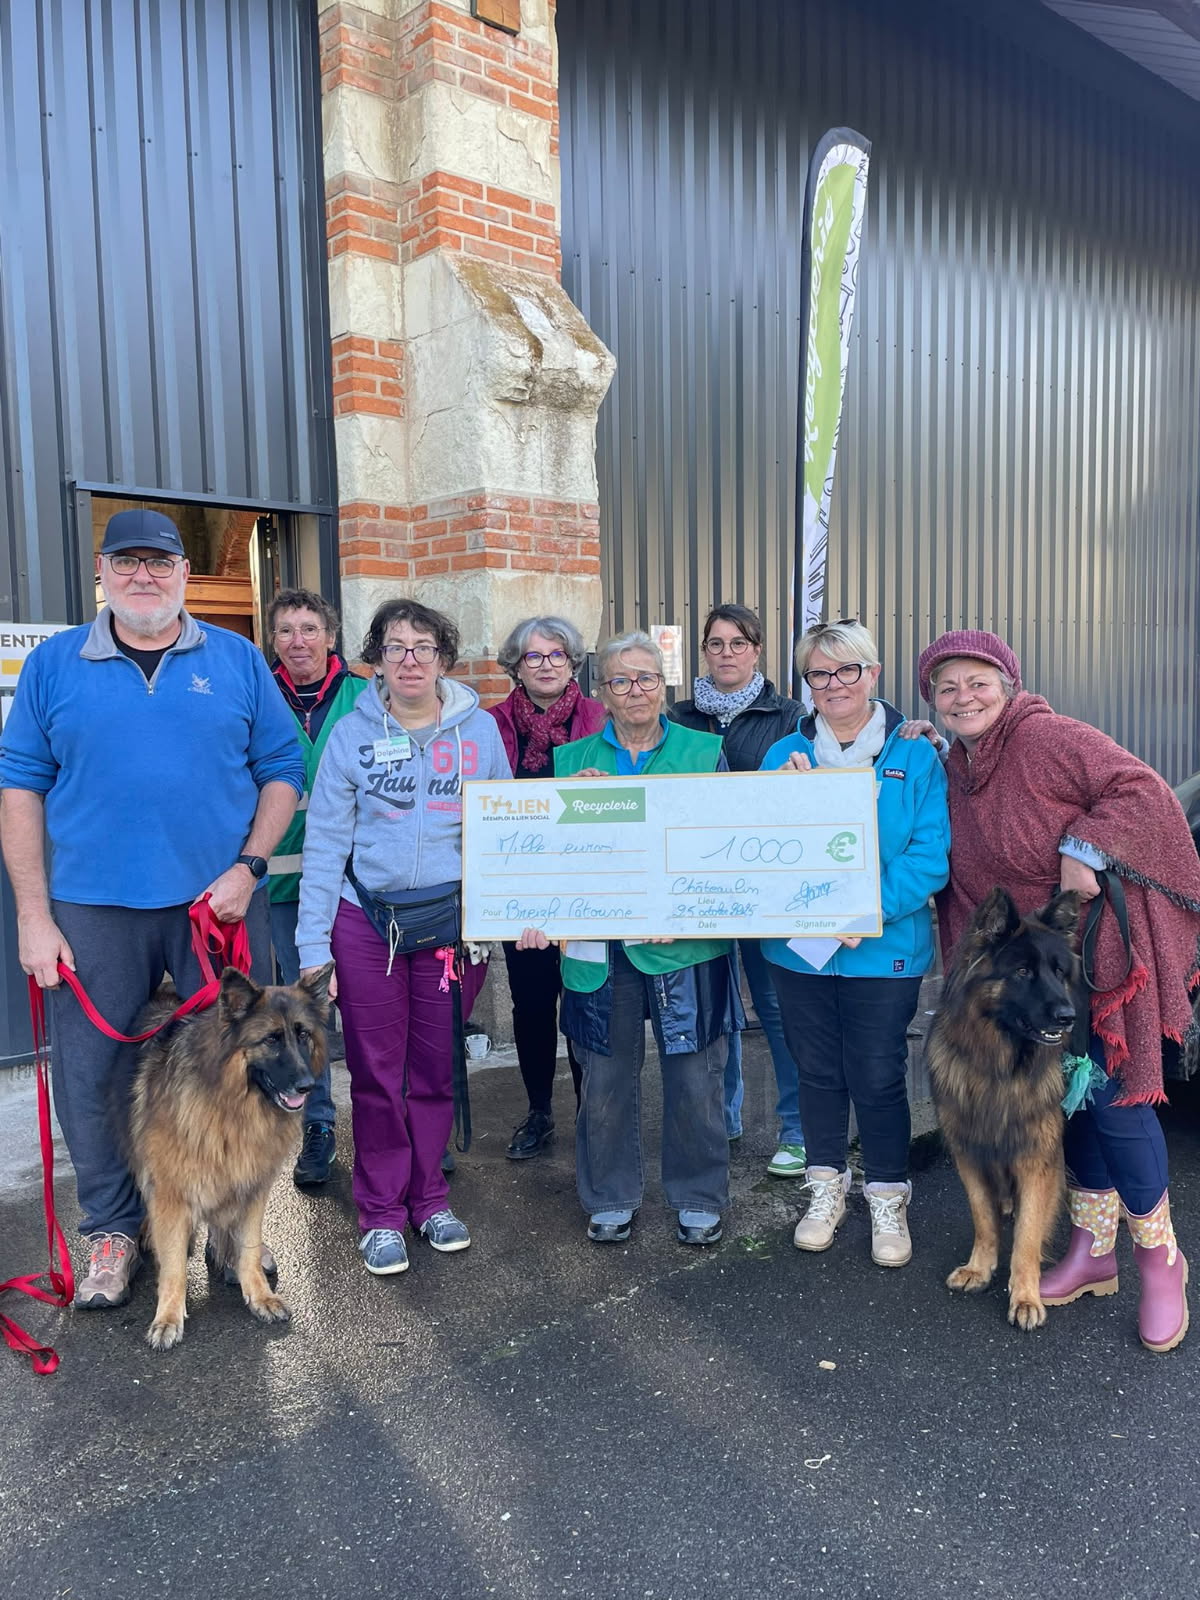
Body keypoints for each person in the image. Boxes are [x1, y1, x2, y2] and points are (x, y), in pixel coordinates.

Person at [0, 508, 303, 1308]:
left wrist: (249, 867)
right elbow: (20, 787)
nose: (144, 577)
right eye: (127, 563)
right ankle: (111, 1229)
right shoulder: (56, 666)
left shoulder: (236, 659)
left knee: (238, 1060)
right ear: (101, 570)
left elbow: (282, 769)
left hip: (220, 905)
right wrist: (34, 914)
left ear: (183, 576)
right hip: (93, 906)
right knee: (93, 1071)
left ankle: (233, 1229)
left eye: (160, 564)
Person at [909, 629, 1200, 1350]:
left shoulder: (1049, 738)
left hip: (1091, 963)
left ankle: (1160, 1263)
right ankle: (1092, 1253)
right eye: (947, 688)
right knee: (1071, 1110)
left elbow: (1141, 788)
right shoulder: (954, 764)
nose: (963, 696)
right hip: (1021, 984)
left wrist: (1084, 845)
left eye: (978, 681)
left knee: (1117, 1101)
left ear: (1008, 684)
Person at [296, 599, 510, 1277]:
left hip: (449, 927)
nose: (410, 659)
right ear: (377, 659)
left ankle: (431, 1198)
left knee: (435, 1068)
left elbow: (502, 831)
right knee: (375, 1073)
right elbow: (325, 843)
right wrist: (312, 948)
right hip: (366, 925)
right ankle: (382, 1213)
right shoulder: (353, 736)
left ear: (445, 656)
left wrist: (500, 917)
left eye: (423, 646)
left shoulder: (479, 733)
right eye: (395, 647)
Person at [518, 630, 742, 1248]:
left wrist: (698, 911)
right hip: (600, 948)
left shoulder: (705, 751)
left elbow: (728, 847)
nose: (635, 690)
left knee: (696, 1076)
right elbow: (543, 860)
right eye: (620, 680)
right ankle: (610, 1195)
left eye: (645, 677)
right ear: (602, 691)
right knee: (606, 1079)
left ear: (664, 685)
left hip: (687, 944)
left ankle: (699, 1196)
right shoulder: (571, 763)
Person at [761, 620, 949, 1267]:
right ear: (806, 684)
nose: (834, 684)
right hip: (799, 949)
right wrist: (778, 800)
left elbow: (930, 857)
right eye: (820, 673)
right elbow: (754, 848)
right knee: (815, 1072)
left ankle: (888, 1196)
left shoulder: (915, 754)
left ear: (872, 674)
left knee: (875, 1073)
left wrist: (867, 907)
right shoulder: (783, 753)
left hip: (884, 946)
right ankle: (825, 1189)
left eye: (848, 671)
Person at [671, 603, 807, 1173]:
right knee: (714, 1006)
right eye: (716, 643)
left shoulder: (790, 715)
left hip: (764, 887)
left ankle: (798, 1129)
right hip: (697, 885)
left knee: (775, 1008)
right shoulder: (676, 715)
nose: (727, 653)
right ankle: (722, 1117)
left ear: (758, 650)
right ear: (703, 651)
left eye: (739, 643)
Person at [488, 616, 606, 1160]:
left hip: (586, 882)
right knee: (532, 1003)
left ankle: (590, 1113)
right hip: (521, 886)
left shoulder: (600, 720)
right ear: (516, 665)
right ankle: (539, 1111)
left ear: (573, 660)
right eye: (534, 657)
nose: (547, 665)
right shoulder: (489, 726)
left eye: (557, 654)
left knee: (584, 997)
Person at [266, 587, 367, 1188]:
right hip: (283, 887)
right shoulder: (259, 696)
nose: (297, 641)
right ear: (272, 640)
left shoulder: (365, 694)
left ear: (331, 637)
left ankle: (401, 1122)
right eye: (285, 631)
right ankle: (320, 1125)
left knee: (372, 1010)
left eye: (309, 629)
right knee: (305, 1014)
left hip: (360, 888)